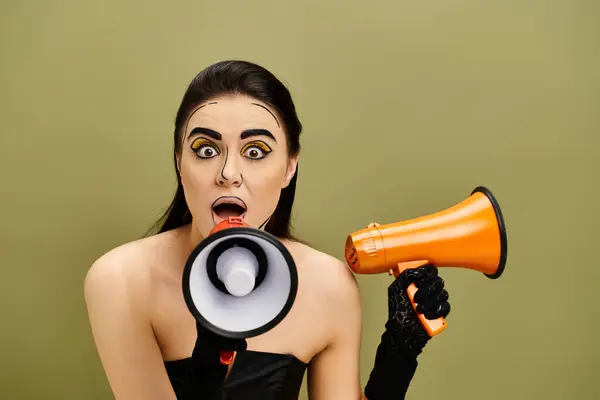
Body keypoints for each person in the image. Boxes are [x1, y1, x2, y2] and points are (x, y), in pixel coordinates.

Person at [84, 60, 451, 400]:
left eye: (256, 151)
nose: (229, 173)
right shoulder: (121, 280)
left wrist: (399, 354)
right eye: (206, 150)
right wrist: (207, 373)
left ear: (290, 167)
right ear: (180, 162)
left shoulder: (328, 285)